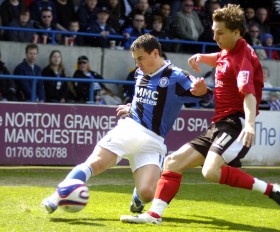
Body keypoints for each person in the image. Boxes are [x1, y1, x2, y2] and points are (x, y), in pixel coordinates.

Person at [120, 4, 280, 225]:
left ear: (237, 32)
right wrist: (202, 57)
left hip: (235, 124)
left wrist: (249, 124)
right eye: (213, 31)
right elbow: (221, 56)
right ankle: (153, 215)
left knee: (210, 171)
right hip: (219, 124)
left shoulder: (242, 61)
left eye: (220, 32)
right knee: (172, 162)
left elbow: (248, 94)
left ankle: (269, 189)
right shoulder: (231, 50)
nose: (215, 36)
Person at [41, 34, 211, 215]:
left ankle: (138, 196)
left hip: (154, 140)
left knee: (147, 194)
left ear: (154, 53)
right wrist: (132, 108)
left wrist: (204, 93)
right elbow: (143, 99)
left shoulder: (177, 76)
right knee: (96, 163)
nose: (138, 64)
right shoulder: (140, 73)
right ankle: (56, 197)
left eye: (140, 58)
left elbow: (207, 97)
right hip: (130, 128)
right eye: (135, 59)